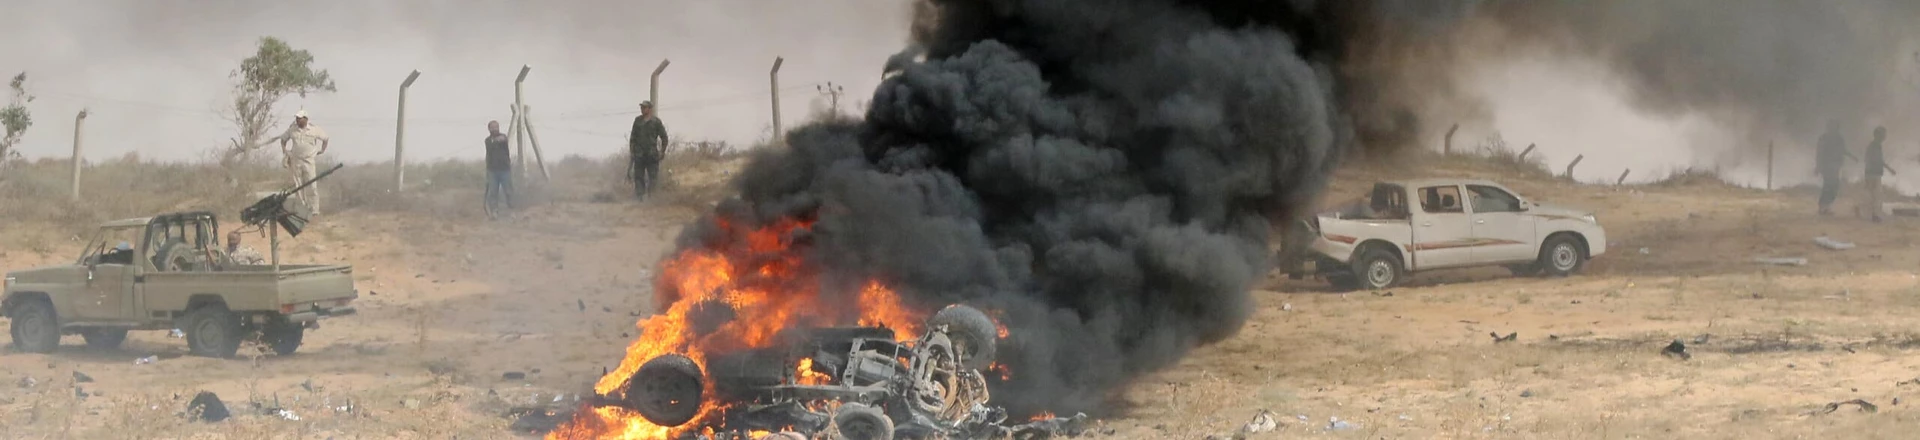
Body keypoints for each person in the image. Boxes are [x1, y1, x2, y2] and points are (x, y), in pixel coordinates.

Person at [278, 109, 330, 215]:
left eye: (299, 118)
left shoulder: (314, 129)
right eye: (296, 118)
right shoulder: (292, 130)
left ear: (305, 119)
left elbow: (325, 138)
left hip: (309, 161)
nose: (297, 120)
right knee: (298, 185)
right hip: (296, 160)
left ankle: (314, 209)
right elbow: (283, 140)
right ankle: (301, 209)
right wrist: (285, 152)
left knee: (312, 185)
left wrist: (322, 150)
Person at [628, 100, 670, 199]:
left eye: (644, 107)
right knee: (638, 177)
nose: (642, 109)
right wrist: (632, 152)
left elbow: (664, 137)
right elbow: (632, 138)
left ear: (650, 109)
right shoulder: (637, 121)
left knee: (653, 177)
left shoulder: (656, 122)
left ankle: (652, 198)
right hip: (639, 154)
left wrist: (662, 152)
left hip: (652, 154)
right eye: (641, 107)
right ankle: (640, 198)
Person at [1814, 120, 1856, 216]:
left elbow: (1843, 150)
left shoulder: (1839, 139)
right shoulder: (1824, 138)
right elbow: (1819, 153)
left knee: (1834, 186)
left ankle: (1827, 206)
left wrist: (1852, 157)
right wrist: (1818, 166)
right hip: (1827, 166)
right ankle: (1823, 206)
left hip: (1836, 166)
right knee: (1828, 186)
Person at [1861, 126, 1897, 222]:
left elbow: (1869, 159)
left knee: (1872, 194)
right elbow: (1878, 160)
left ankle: (1870, 214)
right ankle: (1874, 215)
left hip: (1871, 173)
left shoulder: (1873, 145)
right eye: (1883, 134)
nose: (1884, 136)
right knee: (1876, 195)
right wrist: (1889, 169)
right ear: (1878, 135)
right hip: (1873, 173)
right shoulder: (1875, 146)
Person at [484, 120, 513, 215]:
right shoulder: (487, 141)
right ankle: (494, 212)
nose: (495, 129)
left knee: (508, 191)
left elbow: (503, 139)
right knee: (493, 193)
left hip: (505, 170)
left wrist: (497, 140)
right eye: (492, 127)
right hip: (492, 170)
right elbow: (491, 145)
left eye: (496, 127)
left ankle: (512, 211)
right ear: (489, 129)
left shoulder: (503, 137)